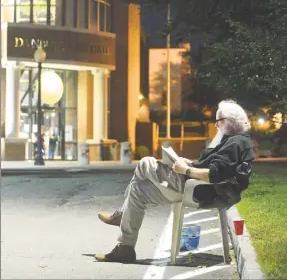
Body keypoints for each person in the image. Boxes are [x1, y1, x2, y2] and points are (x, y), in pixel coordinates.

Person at [95, 100, 255, 263]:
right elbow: (218, 168)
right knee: (138, 189)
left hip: (197, 189)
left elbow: (214, 174)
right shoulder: (236, 141)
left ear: (231, 121)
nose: (215, 125)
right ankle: (125, 248)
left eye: (218, 120)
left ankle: (121, 216)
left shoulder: (235, 143)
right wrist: (190, 163)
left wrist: (186, 170)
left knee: (145, 163)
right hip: (197, 188)